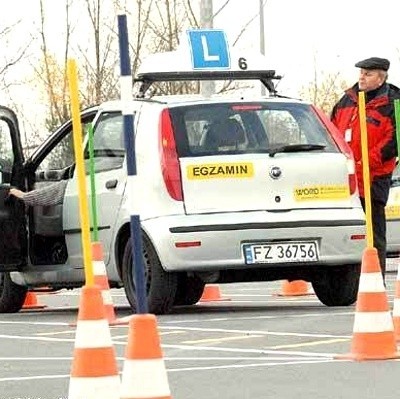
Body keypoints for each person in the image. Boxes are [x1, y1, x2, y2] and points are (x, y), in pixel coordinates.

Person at [331, 56, 400, 280]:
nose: (362, 77)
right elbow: (331, 131)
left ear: (381, 78)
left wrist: (369, 160)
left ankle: (375, 278)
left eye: (368, 74)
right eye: (361, 73)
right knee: (349, 231)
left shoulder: (392, 102)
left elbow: (394, 141)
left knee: (374, 230)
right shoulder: (346, 101)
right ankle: (346, 278)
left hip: (374, 176)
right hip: (345, 177)